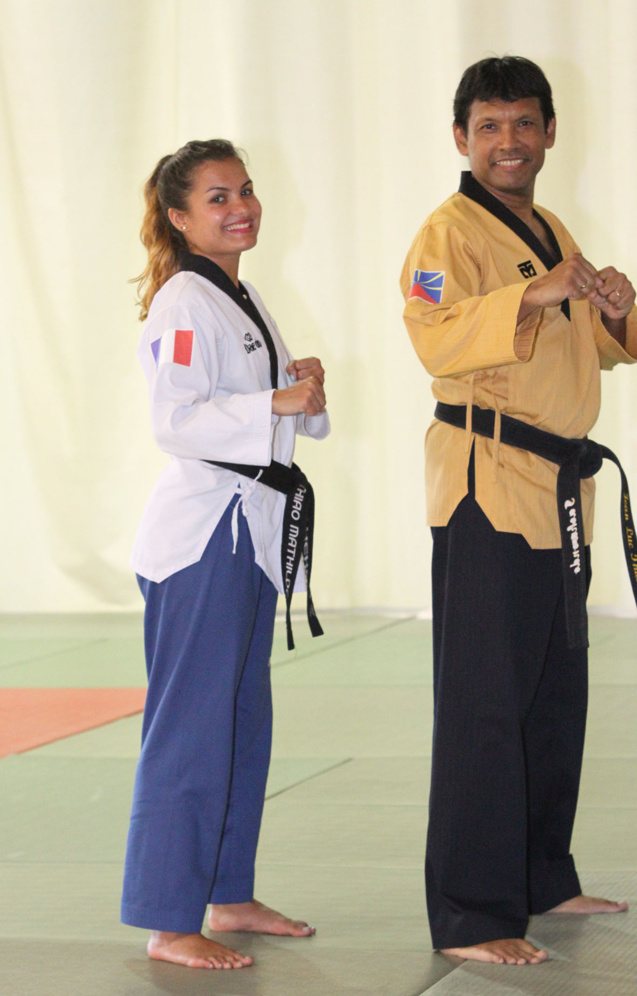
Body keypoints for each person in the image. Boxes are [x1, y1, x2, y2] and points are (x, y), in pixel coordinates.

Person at [401, 57, 636, 966]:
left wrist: (614, 307)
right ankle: (470, 912)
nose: (509, 141)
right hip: (485, 483)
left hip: (556, 490)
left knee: (550, 694)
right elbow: (435, 335)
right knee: (483, 705)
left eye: (524, 124)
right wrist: (536, 293)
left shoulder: (547, 226)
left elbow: (596, 354)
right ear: (461, 137)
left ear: (547, 134)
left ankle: (542, 875)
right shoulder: (445, 235)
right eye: (490, 126)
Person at [121, 139, 329, 970]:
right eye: (216, 197)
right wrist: (272, 399)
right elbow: (175, 420)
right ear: (179, 217)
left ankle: (228, 893)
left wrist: (298, 393)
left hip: (249, 533)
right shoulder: (182, 299)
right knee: (191, 731)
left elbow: (264, 412)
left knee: (241, 725)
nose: (239, 206)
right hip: (203, 538)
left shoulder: (238, 297)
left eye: (243, 191)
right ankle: (169, 921)